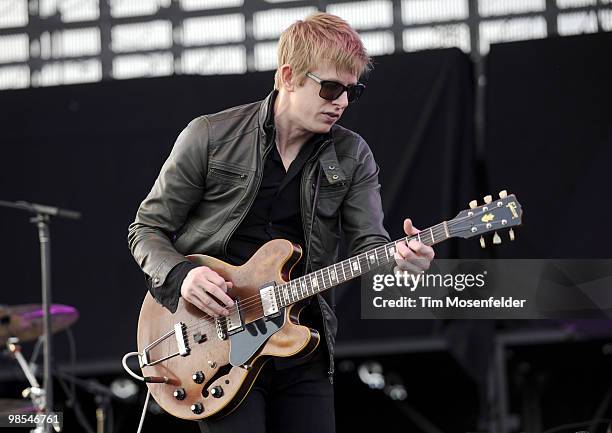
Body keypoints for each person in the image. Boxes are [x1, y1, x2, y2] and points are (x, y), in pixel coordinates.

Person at [128, 12, 434, 433]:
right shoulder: (210, 136)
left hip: (301, 341)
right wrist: (183, 276)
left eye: (352, 91)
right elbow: (146, 230)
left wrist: (401, 261)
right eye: (330, 88)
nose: (341, 102)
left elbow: (369, 249)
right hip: (216, 340)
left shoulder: (352, 154)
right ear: (289, 76)